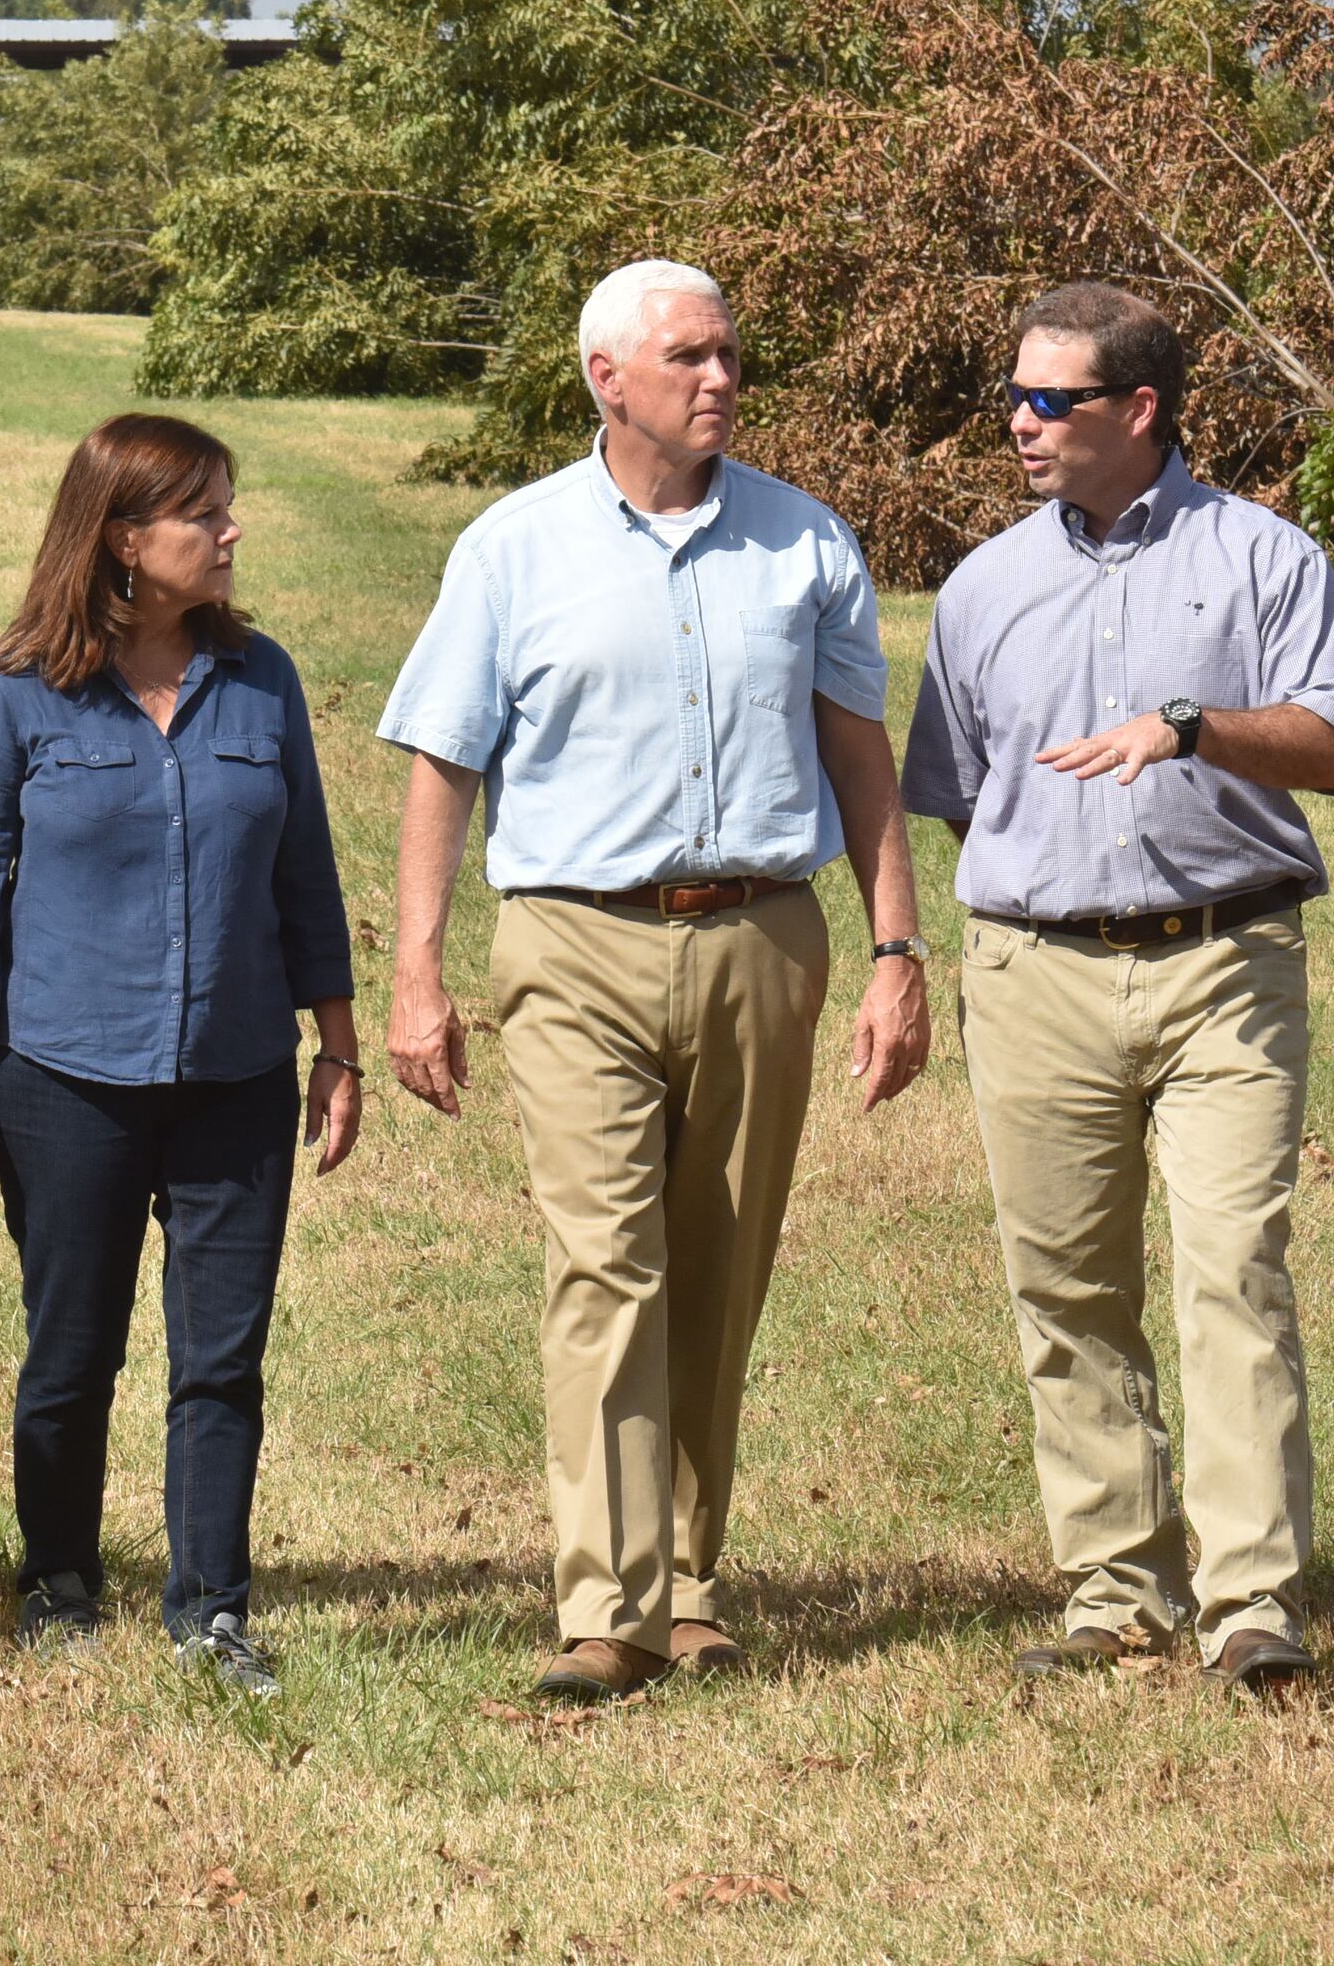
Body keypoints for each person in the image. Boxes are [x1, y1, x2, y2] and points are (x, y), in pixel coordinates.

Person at [378, 259, 931, 1704]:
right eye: (689, 356)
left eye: (732, 354)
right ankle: (602, 1602)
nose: (721, 379)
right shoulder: (512, 548)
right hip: (571, 938)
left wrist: (894, 949)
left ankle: (692, 1580)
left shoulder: (808, 547)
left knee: (718, 1267)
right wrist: (417, 971)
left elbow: (859, 757)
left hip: (764, 935)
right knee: (603, 1263)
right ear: (605, 378)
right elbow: (445, 761)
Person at [898, 281, 1334, 1696]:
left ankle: (1250, 1602)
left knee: (1234, 1268)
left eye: (1053, 401)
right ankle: (1116, 1589)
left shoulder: (1264, 560)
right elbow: (959, 797)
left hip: (1227, 963)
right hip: (1036, 972)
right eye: (1015, 397)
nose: (1021, 423)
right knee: (1068, 1286)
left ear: (1141, 410)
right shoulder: (984, 584)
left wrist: (1193, 730)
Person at [0, 415, 361, 1698]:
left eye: (229, 507)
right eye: (203, 513)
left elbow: (306, 878)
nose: (231, 531)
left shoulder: (262, 679)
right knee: (73, 1349)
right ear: (121, 537)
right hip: (65, 1079)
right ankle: (59, 1578)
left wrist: (337, 1050)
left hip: (236, 1079)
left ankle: (212, 1606)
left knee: (222, 1355)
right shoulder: (16, 693)